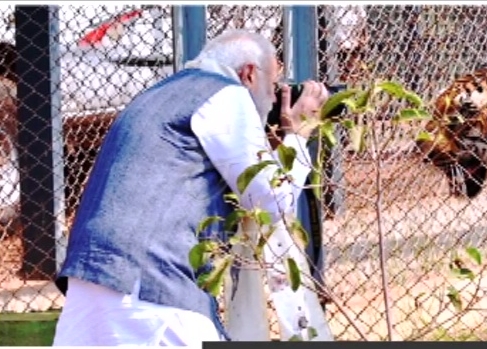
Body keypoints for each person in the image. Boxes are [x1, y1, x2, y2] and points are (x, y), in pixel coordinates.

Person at [51, 29, 328, 346]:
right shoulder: (226, 94)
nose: (273, 99)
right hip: (153, 289)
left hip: (92, 282)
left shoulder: (155, 95)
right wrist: (300, 135)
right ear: (249, 73)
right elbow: (269, 201)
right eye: (273, 87)